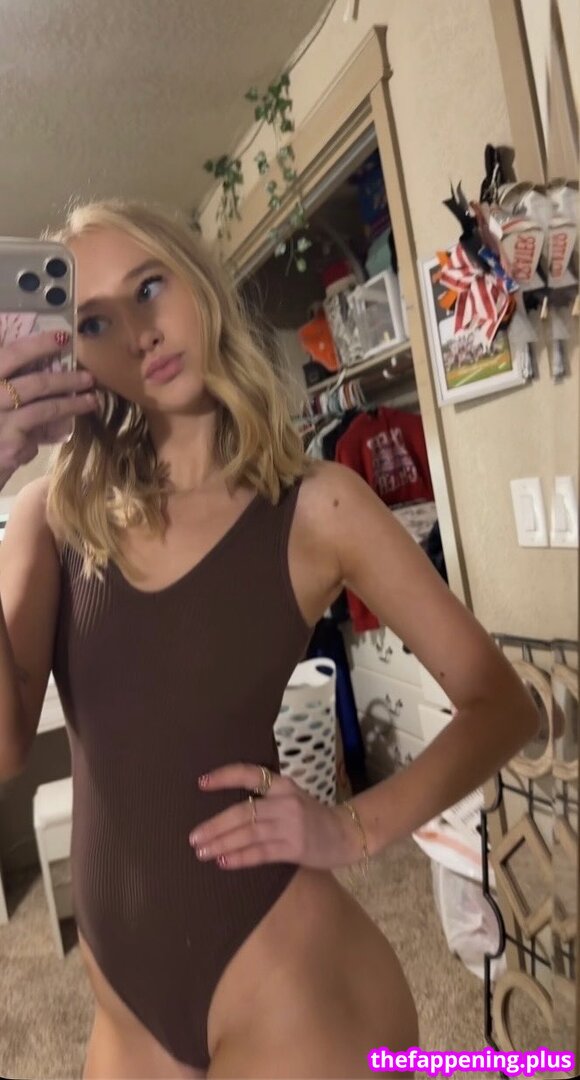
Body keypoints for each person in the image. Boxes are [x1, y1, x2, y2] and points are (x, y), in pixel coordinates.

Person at [0, 199, 539, 1080]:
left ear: (196, 281)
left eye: (149, 287)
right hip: (125, 1010)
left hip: (286, 985)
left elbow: (502, 704)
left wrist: (354, 830)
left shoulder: (318, 505)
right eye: (94, 321)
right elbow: (4, 744)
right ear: (74, 351)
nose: (138, 333)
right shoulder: (52, 518)